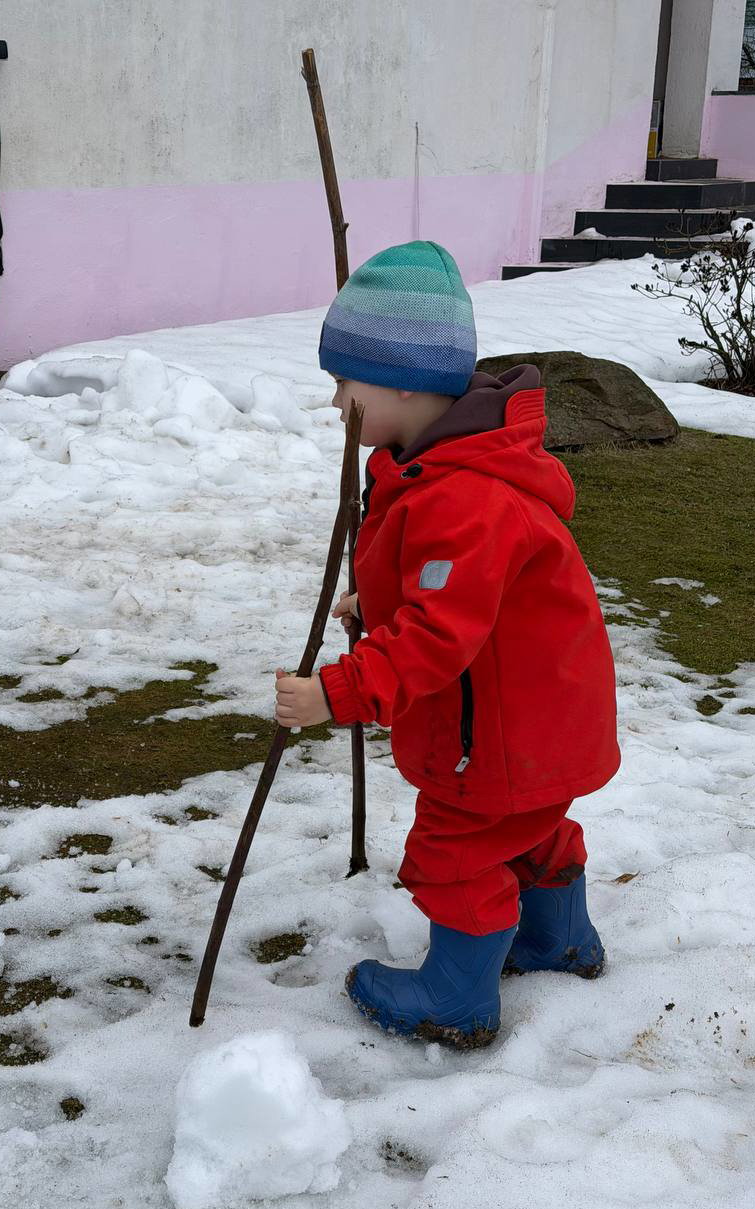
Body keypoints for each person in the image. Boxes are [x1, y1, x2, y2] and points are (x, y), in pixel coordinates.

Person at [274, 240, 620, 1049]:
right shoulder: (448, 467)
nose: (334, 406)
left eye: (341, 385)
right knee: (531, 829)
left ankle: (456, 1002)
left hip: (497, 737)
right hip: (539, 725)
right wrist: (382, 597)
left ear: (401, 380)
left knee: (457, 849)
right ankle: (556, 940)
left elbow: (439, 635)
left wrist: (338, 693)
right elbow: (460, 593)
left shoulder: (464, 496)